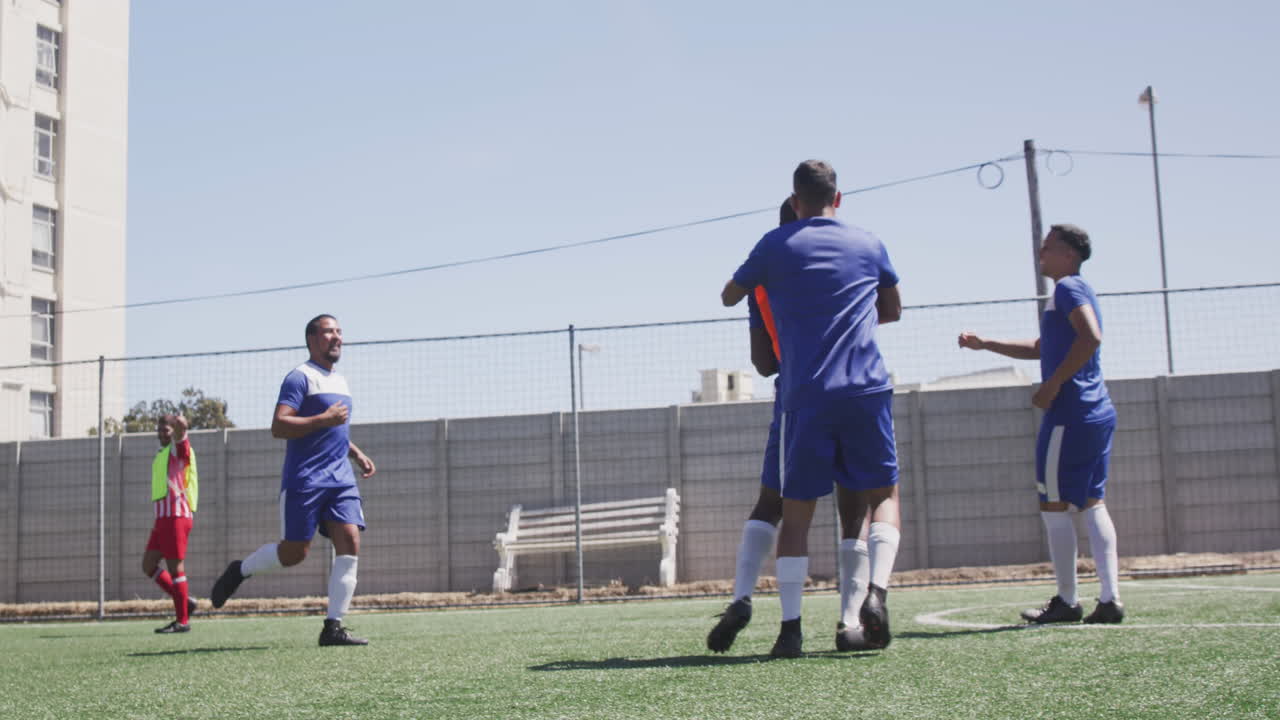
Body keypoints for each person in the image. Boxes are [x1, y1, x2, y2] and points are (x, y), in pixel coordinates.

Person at [721, 160, 903, 657]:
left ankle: (789, 628)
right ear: (838, 198)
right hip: (865, 388)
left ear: (794, 201)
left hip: (804, 394)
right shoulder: (868, 242)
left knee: (790, 510)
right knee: (876, 499)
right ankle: (869, 601)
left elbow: (730, 298)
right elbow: (892, 309)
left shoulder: (774, 248)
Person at [958, 223, 1123, 624]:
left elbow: (1091, 337)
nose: (1040, 253)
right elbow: (1042, 347)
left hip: (1069, 413)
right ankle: (1110, 600)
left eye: (1048, 247)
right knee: (1092, 501)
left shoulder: (1068, 288)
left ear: (1069, 254)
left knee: (1053, 505)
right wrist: (986, 344)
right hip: (1096, 410)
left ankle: (1067, 601)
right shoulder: (1074, 291)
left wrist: (1052, 385)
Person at [209, 314, 378, 645]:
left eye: (340, 332)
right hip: (306, 479)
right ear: (312, 339)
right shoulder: (299, 378)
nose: (337, 337)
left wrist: (355, 454)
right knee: (294, 553)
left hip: (341, 478)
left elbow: (335, 430)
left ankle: (333, 627)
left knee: (350, 540)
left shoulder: (341, 381)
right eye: (329, 332)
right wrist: (323, 418)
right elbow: (279, 425)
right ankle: (240, 570)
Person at [142, 414, 200, 634]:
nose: (161, 433)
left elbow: (182, 443)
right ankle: (186, 602)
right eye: (159, 429)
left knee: (176, 569)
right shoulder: (162, 452)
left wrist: (182, 428)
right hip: (162, 518)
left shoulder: (177, 449)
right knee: (148, 565)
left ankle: (182, 621)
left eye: (166, 430)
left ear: (173, 431)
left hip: (176, 516)